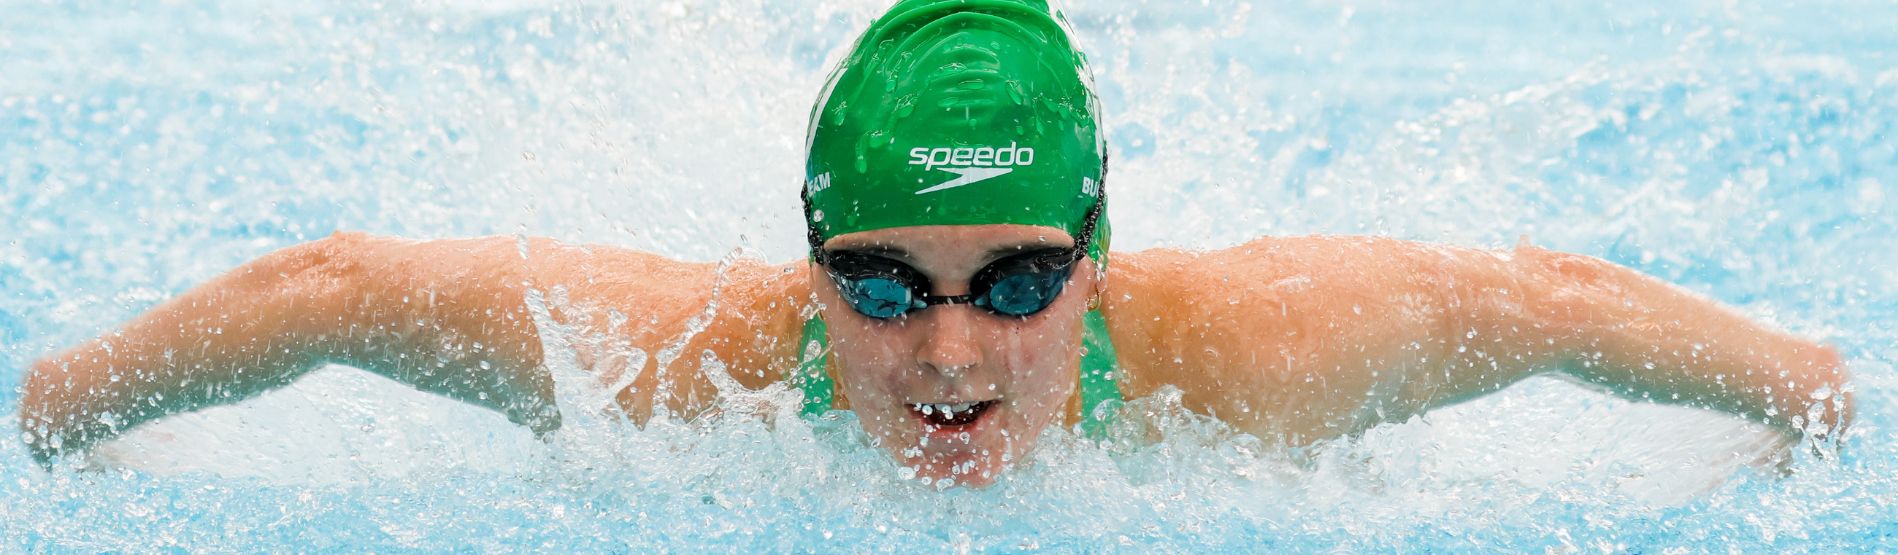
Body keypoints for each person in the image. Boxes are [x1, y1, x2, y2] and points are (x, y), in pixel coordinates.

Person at [17, 0, 1851, 487]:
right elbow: (334, 290)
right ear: (808, 267)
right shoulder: (695, 372)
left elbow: (1547, 304)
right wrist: (45, 421)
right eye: (880, 285)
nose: (950, 355)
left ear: (1097, 261)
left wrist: (1815, 409)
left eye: (1019, 283)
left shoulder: (1255, 356)